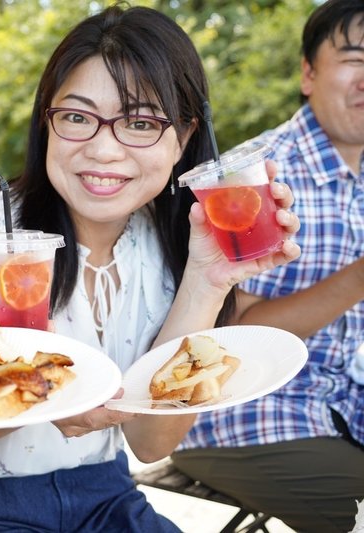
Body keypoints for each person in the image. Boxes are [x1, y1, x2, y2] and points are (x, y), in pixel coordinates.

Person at [0, 4, 301, 532]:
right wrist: (36, 401)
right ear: (45, 121)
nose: (103, 149)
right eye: (76, 117)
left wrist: (206, 281)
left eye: (139, 123)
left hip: (107, 494)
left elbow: (149, 441)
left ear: (184, 138)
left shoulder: (161, 246)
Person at [172, 1, 364, 531]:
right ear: (308, 73)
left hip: (345, 405)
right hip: (250, 413)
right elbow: (228, 333)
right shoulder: (255, 179)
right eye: (355, 58)